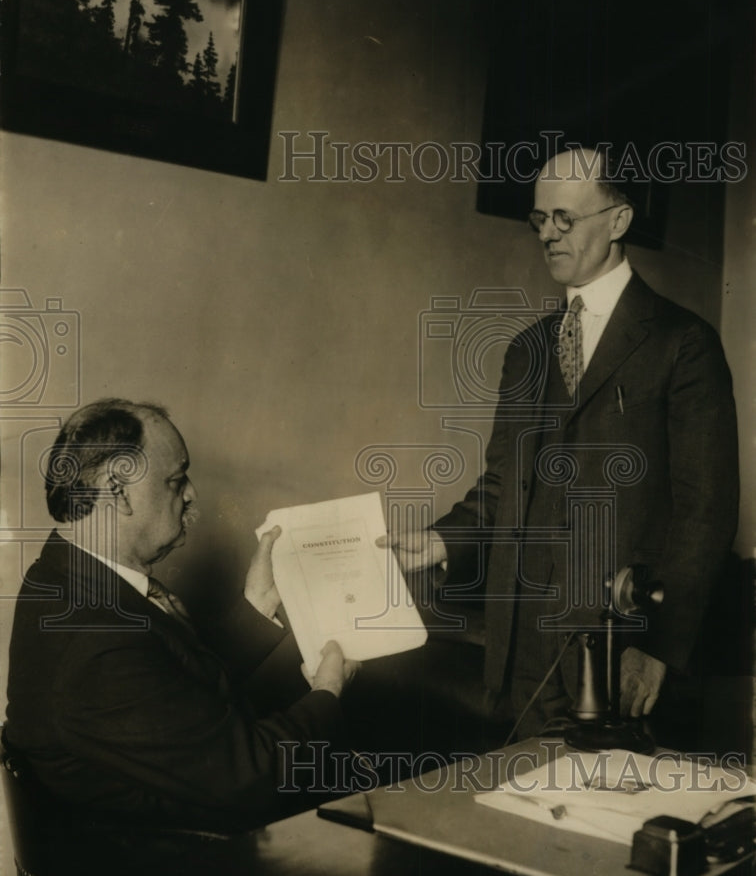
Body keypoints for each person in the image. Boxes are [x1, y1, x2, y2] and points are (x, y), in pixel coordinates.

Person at [384, 147, 738, 743]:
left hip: (619, 646)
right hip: (520, 646)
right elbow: (505, 484)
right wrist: (443, 540)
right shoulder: (526, 349)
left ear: (619, 220)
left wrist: (659, 647)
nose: (547, 234)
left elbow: (706, 512)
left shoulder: (683, 343)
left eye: (564, 219)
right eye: (538, 220)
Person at [4, 398, 356, 832]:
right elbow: (250, 776)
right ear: (119, 490)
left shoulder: (71, 580)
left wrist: (258, 603)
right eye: (176, 479)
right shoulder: (96, 643)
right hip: (181, 871)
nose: (191, 493)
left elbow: (168, 691)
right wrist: (329, 693)